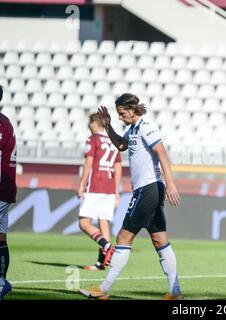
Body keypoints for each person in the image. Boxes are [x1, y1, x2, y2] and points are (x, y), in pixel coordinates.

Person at [79, 93, 182, 300]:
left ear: (132, 110)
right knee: (159, 239)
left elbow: (162, 153)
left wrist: (170, 184)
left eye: (122, 113)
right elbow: (121, 146)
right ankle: (175, 292)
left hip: (149, 188)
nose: (120, 117)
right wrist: (108, 127)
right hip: (148, 189)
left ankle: (103, 290)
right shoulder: (132, 128)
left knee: (124, 237)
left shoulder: (146, 126)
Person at [77, 113, 122, 271]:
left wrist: (82, 184)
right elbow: (118, 166)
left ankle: (108, 246)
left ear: (95, 123)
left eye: (90, 124)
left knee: (84, 223)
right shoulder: (113, 140)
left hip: (95, 185)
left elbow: (89, 162)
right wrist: (116, 190)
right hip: (109, 187)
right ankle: (102, 262)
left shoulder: (93, 139)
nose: (89, 127)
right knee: (104, 223)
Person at [0, 85, 17, 300]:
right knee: (1, 238)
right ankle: (2, 282)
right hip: (6, 187)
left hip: (1, 186)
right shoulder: (5, 121)